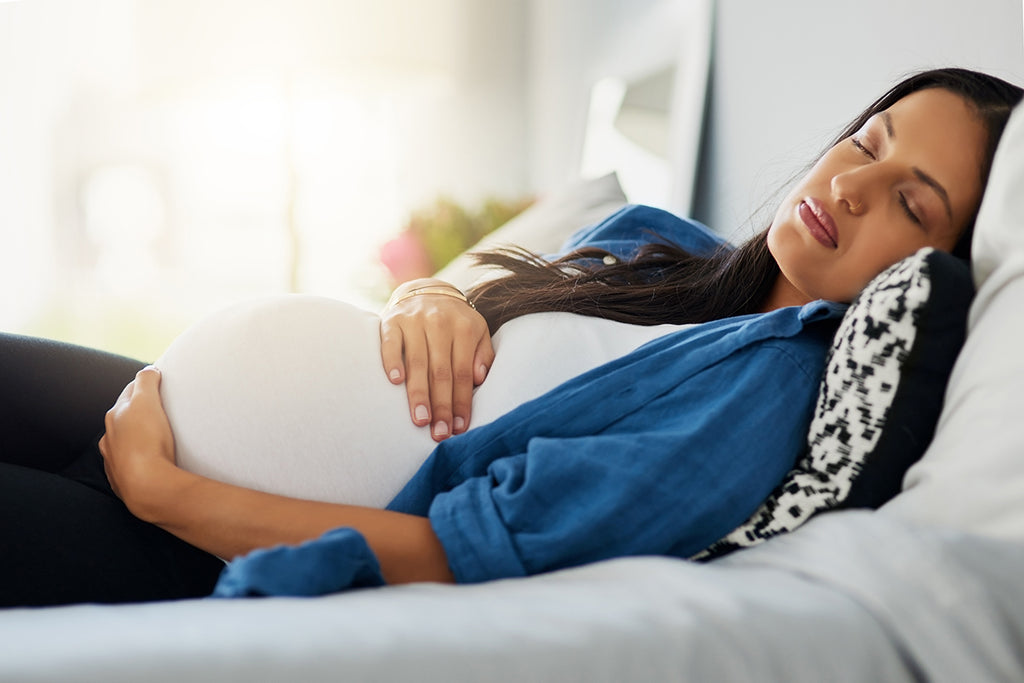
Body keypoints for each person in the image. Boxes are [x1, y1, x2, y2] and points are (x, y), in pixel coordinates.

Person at [1, 68, 1020, 607]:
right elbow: (461, 310)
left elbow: (469, 549)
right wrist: (430, 300)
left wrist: (170, 494)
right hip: (158, 401)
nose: (848, 184)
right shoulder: (657, 243)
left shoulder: (769, 394)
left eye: (911, 203)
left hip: (190, 534)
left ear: (930, 270)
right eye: (867, 140)